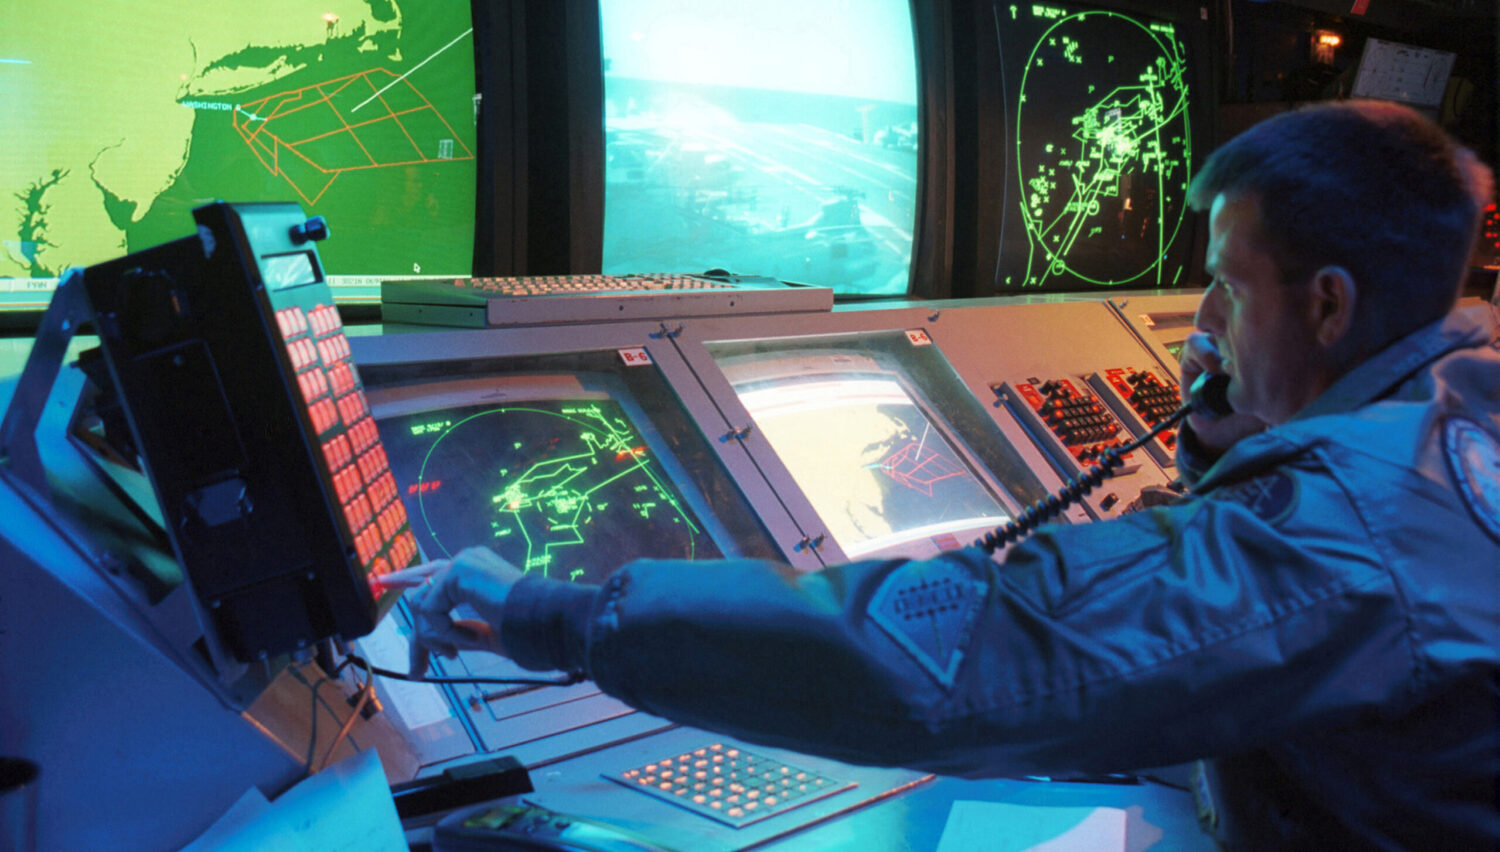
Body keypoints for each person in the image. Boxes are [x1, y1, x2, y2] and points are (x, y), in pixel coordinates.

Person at [381, 100, 1499, 850]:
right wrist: (1224, 442)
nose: (1200, 324)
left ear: (1329, 304)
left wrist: (552, 615)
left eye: (1228, 290)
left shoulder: (1355, 522)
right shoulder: (1460, 404)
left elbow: (969, 658)